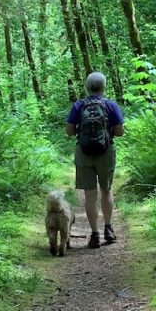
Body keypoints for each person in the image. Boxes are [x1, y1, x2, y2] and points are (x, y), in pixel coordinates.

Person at [66, 72, 124, 248]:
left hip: (83, 152)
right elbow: (120, 132)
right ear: (103, 87)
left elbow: (69, 132)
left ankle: (94, 234)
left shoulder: (78, 105)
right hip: (106, 152)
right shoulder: (110, 105)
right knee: (106, 190)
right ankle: (108, 228)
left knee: (90, 194)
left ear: (87, 87)